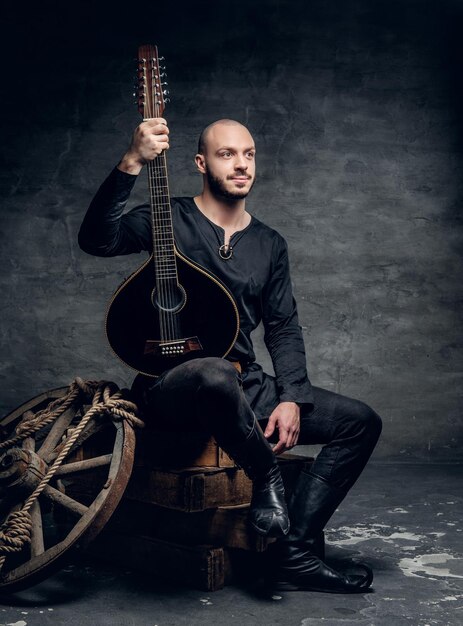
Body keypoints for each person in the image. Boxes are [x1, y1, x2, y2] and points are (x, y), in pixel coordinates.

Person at [78, 117, 382, 593]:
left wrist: (292, 399)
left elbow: (282, 327)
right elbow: (97, 240)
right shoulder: (168, 219)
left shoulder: (269, 244)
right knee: (215, 373)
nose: (241, 164)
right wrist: (132, 161)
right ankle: (267, 478)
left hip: (243, 386)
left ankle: (293, 553)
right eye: (227, 154)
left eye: (249, 154)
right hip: (172, 389)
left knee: (360, 422)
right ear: (201, 163)